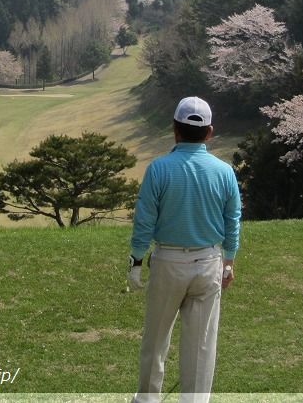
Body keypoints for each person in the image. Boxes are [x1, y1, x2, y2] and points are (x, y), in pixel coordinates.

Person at [127, 96, 242, 403]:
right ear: (210, 132)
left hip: (168, 262)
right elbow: (232, 221)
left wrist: (136, 260)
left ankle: (148, 399)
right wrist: (228, 262)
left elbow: (145, 220)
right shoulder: (224, 171)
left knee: (156, 339)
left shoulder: (159, 168)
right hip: (209, 263)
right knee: (201, 344)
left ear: (174, 129)